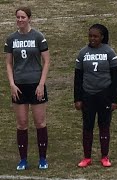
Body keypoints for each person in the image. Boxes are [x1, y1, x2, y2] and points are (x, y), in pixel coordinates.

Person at [4, 7, 50, 170]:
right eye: (18, 17)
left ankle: (42, 159)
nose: (20, 20)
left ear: (29, 18)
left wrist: (41, 84)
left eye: (23, 17)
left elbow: (46, 61)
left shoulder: (38, 37)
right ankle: (23, 160)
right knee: (22, 123)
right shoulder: (11, 39)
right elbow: (9, 63)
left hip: (36, 85)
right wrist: (12, 84)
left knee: (40, 122)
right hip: (19, 86)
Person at [74, 23, 117, 168]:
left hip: (104, 95)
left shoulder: (109, 53)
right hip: (88, 95)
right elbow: (78, 77)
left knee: (104, 126)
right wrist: (77, 98)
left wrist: (114, 99)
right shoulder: (83, 53)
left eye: (95, 36)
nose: (92, 38)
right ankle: (87, 157)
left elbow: (116, 78)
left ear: (102, 37)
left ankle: (105, 156)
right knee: (87, 126)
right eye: (90, 36)